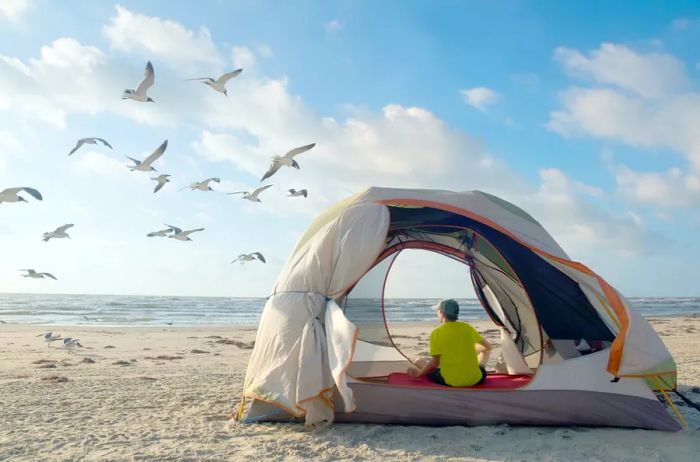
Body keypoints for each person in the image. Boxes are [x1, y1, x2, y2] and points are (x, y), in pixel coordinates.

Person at [407, 299, 492, 387]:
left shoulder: (437, 333)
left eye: (437, 311)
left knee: (419, 361)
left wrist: (419, 374)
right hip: (475, 379)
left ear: (442, 313)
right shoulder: (467, 328)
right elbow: (488, 347)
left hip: (451, 381)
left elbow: (434, 364)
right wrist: (468, 348)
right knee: (484, 352)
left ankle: (419, 364)